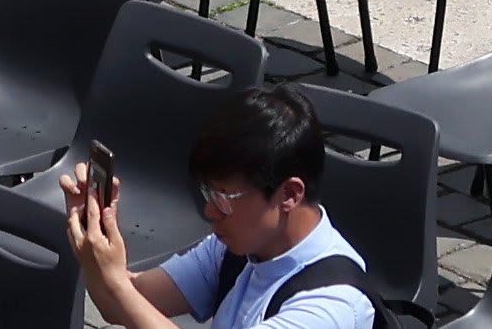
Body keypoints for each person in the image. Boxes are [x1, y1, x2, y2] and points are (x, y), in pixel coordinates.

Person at [61, 84, 373, 329]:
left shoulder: (330, 307)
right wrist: (95, 241)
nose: (209, 211)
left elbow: (122, 295)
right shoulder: (235, 249)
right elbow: (123, 303)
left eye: (224, 198)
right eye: (207, 193)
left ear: (289, 194)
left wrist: (116, 284)